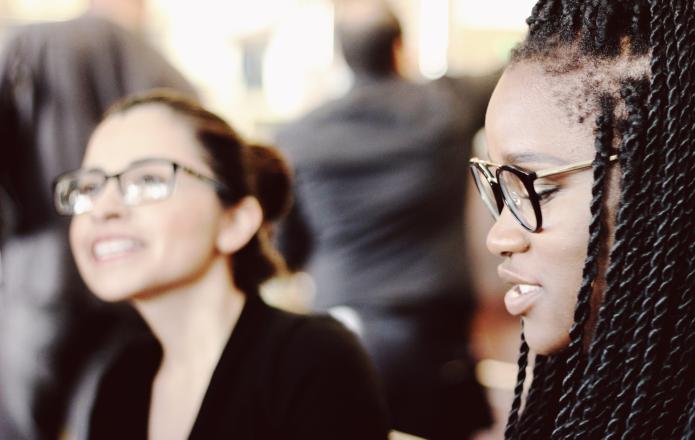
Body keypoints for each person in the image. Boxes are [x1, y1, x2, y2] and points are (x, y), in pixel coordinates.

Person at [469, 0, 695, 439]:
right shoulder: (615, 393)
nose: (499, 237)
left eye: (537, 186)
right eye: (499, 183)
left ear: (679, 187)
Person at [52, 90, 390, 440]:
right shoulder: (123, 379)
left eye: (147, 180)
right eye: (88, 186)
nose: (102, 208)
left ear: (235, 222)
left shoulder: (314, 361)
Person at [275, 1, 496, 438]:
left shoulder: (298, 136)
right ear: (399, 48)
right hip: (431, 332)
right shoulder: (445, 108)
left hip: (338, 328)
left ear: (342, 57)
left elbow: (288, 246)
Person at [0, 8, 196, 438]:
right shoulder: (138, 51)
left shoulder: (23, 45)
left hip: (38, 277)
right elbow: (196, 132)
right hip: (129, 273)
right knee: (115, 411)